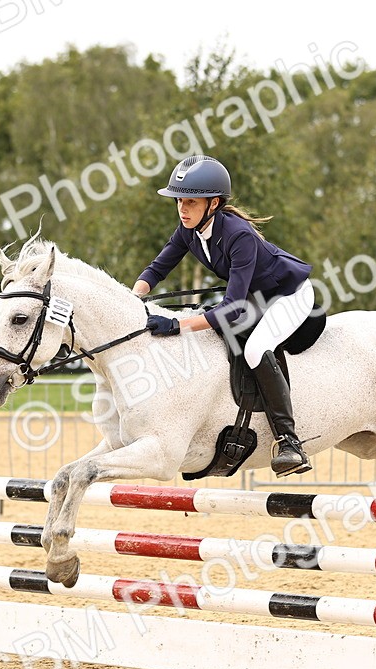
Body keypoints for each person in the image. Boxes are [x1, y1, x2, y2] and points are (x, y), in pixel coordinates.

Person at [133, 155, 315, 477]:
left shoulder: (238, 235)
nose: (182, 208)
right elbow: (157, 268)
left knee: (257, 348)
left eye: (190, 201)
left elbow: (231, 309)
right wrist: (132, 299)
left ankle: (289, 442)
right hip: (255, 299)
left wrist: (176, 325)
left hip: (288, 295)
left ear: (213, 203)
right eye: (179, 201)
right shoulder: (189, 229)